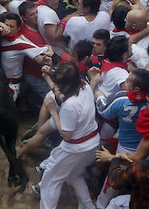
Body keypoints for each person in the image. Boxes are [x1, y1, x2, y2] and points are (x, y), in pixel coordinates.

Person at [33, 63, 99, 209]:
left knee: (50, 180)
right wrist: (47, 77)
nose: (58, 86)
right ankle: (88, 206)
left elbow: (66, 134)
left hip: (75, 149)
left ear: (68, 84)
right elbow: (61, 95)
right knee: (75, 175)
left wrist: (53, 111)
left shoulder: (70, 106)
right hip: (92, 143)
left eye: (60, 83)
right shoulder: (84, 85)